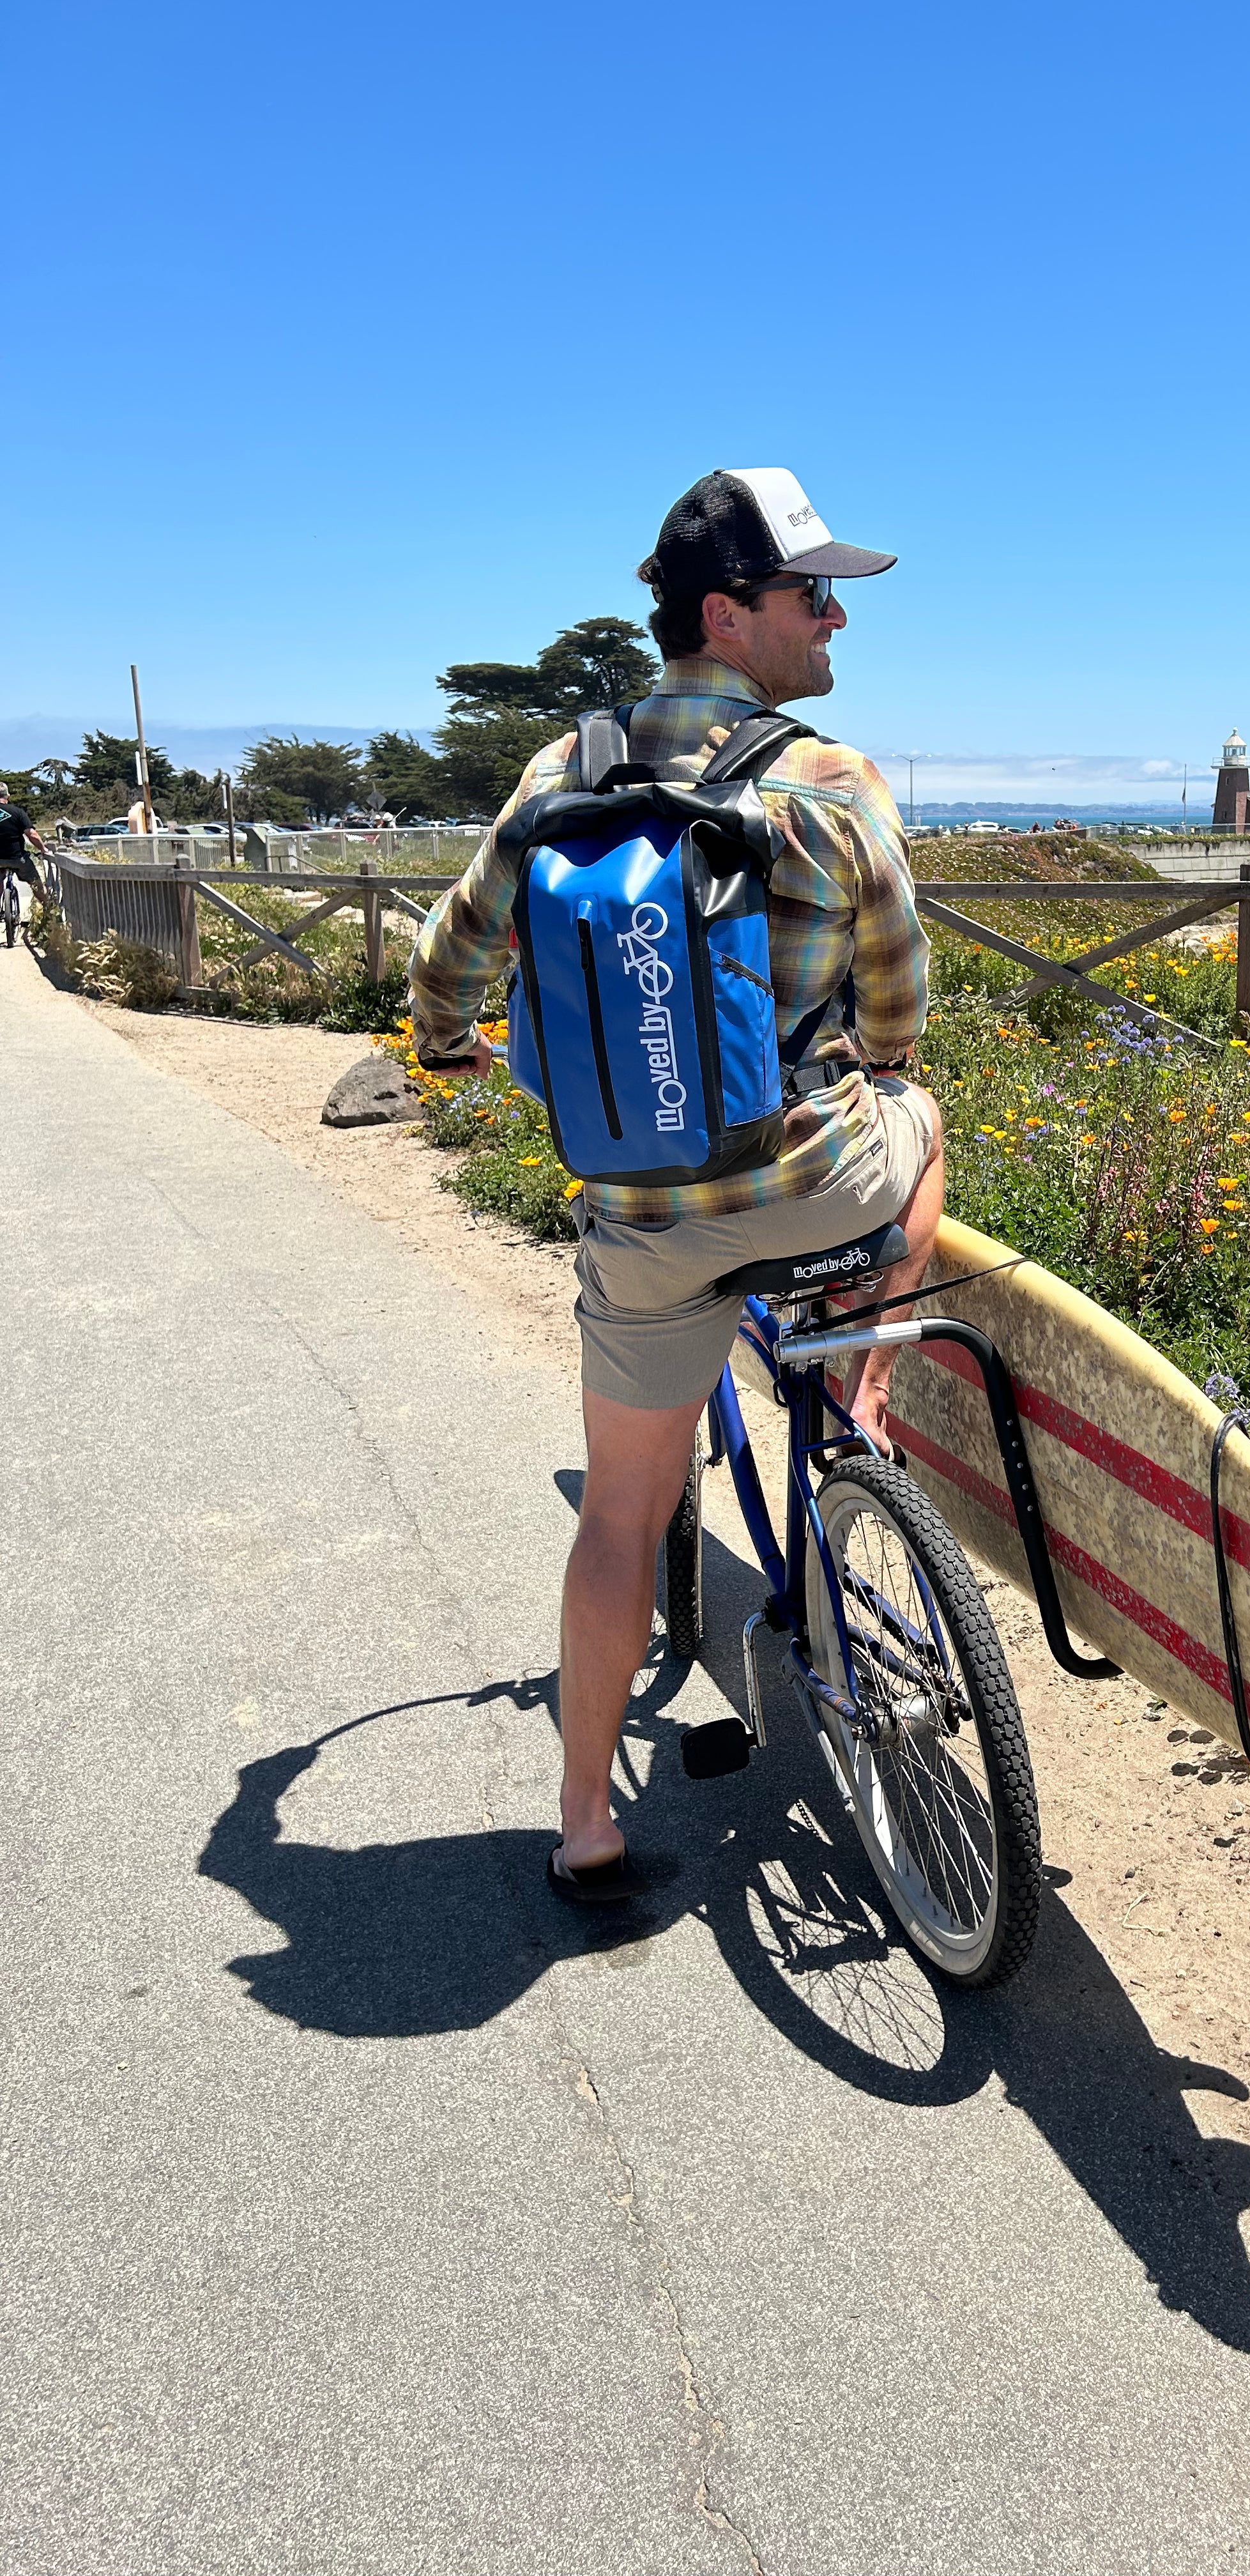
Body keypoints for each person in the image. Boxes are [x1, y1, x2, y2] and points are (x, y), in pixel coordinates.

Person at [408, 468, 939, 1902]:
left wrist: (449, 1051)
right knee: (926, 1120)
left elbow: (450, 961)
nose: (837, 619)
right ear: (729, 615)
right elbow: (900, 995)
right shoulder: (829, 779)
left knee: (621, 1518)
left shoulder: (557, 776)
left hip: (644, 1221)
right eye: (812, 595)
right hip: (818, 1184)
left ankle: (584, 1820)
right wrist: (880, 1066)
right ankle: (861, 1388)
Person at [0, 788, 47, 891]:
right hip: (18, 858)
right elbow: (32, 834)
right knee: (36, 884)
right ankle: (47, 905)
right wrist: (43, 849)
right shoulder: (17, 812)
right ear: (7, 796)